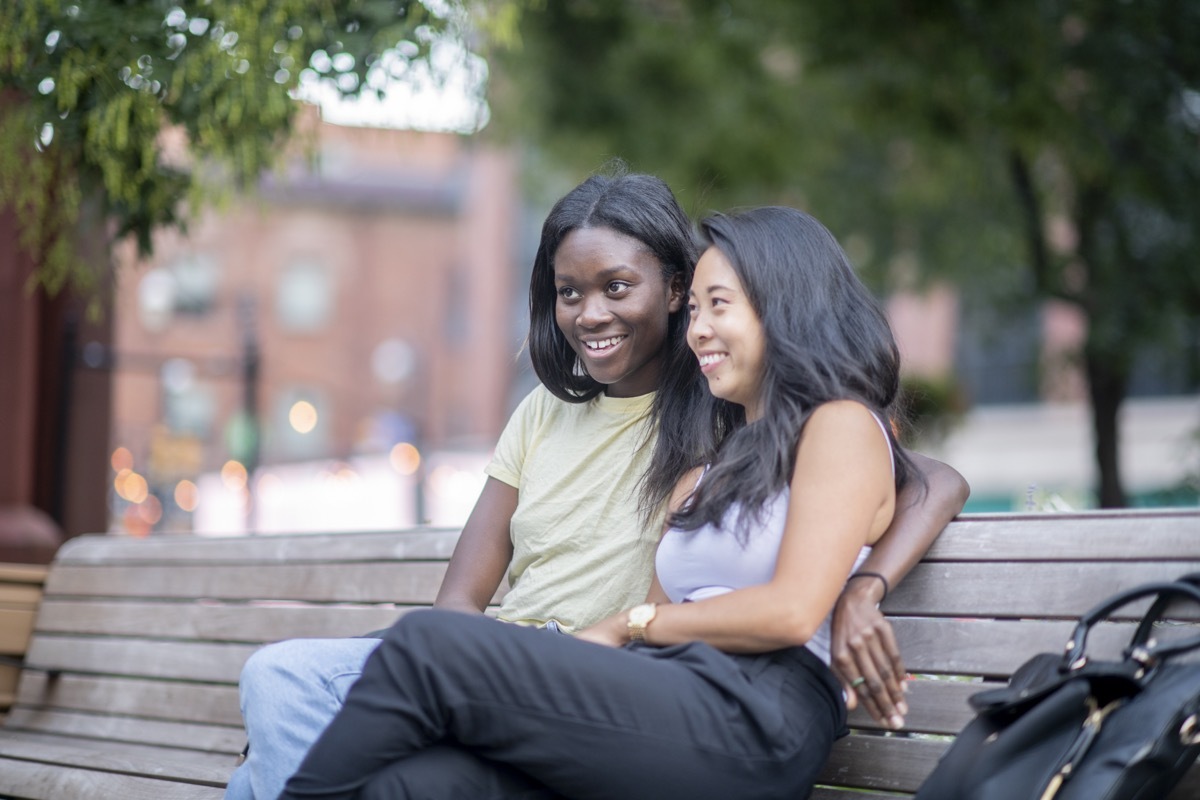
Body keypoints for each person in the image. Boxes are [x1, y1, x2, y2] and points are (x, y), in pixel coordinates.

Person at [226, 174, 967, 799]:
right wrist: (635, 636)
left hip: (755, 712)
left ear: (784, 305)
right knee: (418, 782)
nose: (699, 331)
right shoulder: (708, 469)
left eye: (719, 305)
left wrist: (635, 622)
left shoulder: (834, 424)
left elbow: (799, 601)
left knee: (426, 645)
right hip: (662, 693)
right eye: (700, 309)